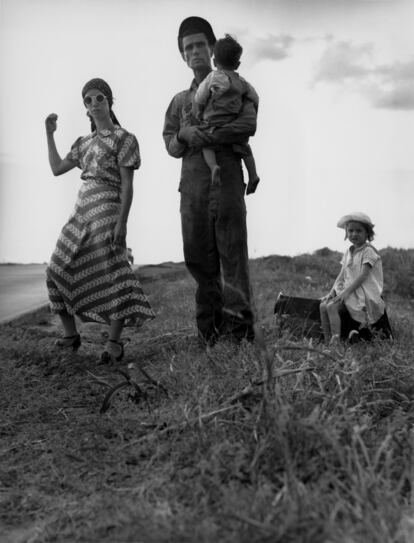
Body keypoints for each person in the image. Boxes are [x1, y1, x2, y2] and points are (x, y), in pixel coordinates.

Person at [163, 16, 258, 345]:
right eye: (188, 48)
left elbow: (249, 125)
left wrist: (208, 134)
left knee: (233, 257)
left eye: (200, 44)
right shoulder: (178, 101)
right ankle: (209, 333)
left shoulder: (236, 85)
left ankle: (240, 336)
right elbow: (170, 145)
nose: (194, 51)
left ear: (213, 48)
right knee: (199, 260)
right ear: (183, 56)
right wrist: (184, 134)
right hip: (192, 187)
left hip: (229, 179)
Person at [45, 78, 155, 363]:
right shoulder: (84, 143)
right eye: (88, 100)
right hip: (80, 212)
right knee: (56, 267)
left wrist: (123, 222)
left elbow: (128, 185)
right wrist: (49, 134)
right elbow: (57, 168)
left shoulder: (124, 139)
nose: (94, 104)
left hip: (107, 208)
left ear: (109, 101)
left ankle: (114, 343)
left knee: (114, 271)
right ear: (85, 108)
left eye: (99, 98)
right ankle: (71, 336)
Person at [192, 33, 260, 193]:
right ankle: (253, 174)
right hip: (234, 121)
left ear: (214, 61)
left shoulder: (212, 77)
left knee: (205, 143)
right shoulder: (242, 83)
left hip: (213, 122)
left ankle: (213, 166)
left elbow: (200, 97)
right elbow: (255, 98)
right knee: (244, 146)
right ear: (237, 64)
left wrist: (200, 111)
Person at [319, 212, 389, 343]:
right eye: (350, 231)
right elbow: (342, 274)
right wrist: (331, 292)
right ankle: (327, 340)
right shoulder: (348, 252)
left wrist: (345, 293)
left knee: (331, 307)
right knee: (323, 305)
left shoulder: (368, 251)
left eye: (359, 231)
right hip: (350, 288)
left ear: (367, 233)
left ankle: (336, 341)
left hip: (363, 292)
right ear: (346, 233)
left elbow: (363, 275)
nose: (354, 234)